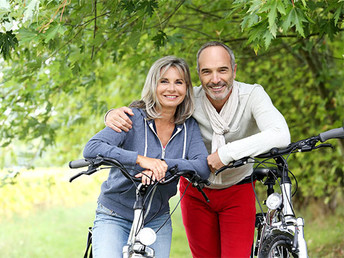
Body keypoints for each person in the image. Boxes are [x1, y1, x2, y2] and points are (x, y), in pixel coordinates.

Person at [105, 42, 291, 257]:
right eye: (206, 72)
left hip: (238, 189)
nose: (215, 79)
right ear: (198, 75)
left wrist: (225, 154)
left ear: (234, 69)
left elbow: (280, 134)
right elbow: (149, 109)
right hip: (196, 192)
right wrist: (111, 115)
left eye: (222, 70)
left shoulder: (252, 96)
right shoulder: (188, 99)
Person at [83, 56, 210, 258]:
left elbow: (202, 167)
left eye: (179, 82)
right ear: (153, 85)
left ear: (187, 89)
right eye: (164, 81)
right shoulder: (132, 117)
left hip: (156, 219)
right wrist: (141, 160)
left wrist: (163, 165)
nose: (172, 88)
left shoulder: (189, 126)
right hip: (115, 215)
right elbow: (92, 148)